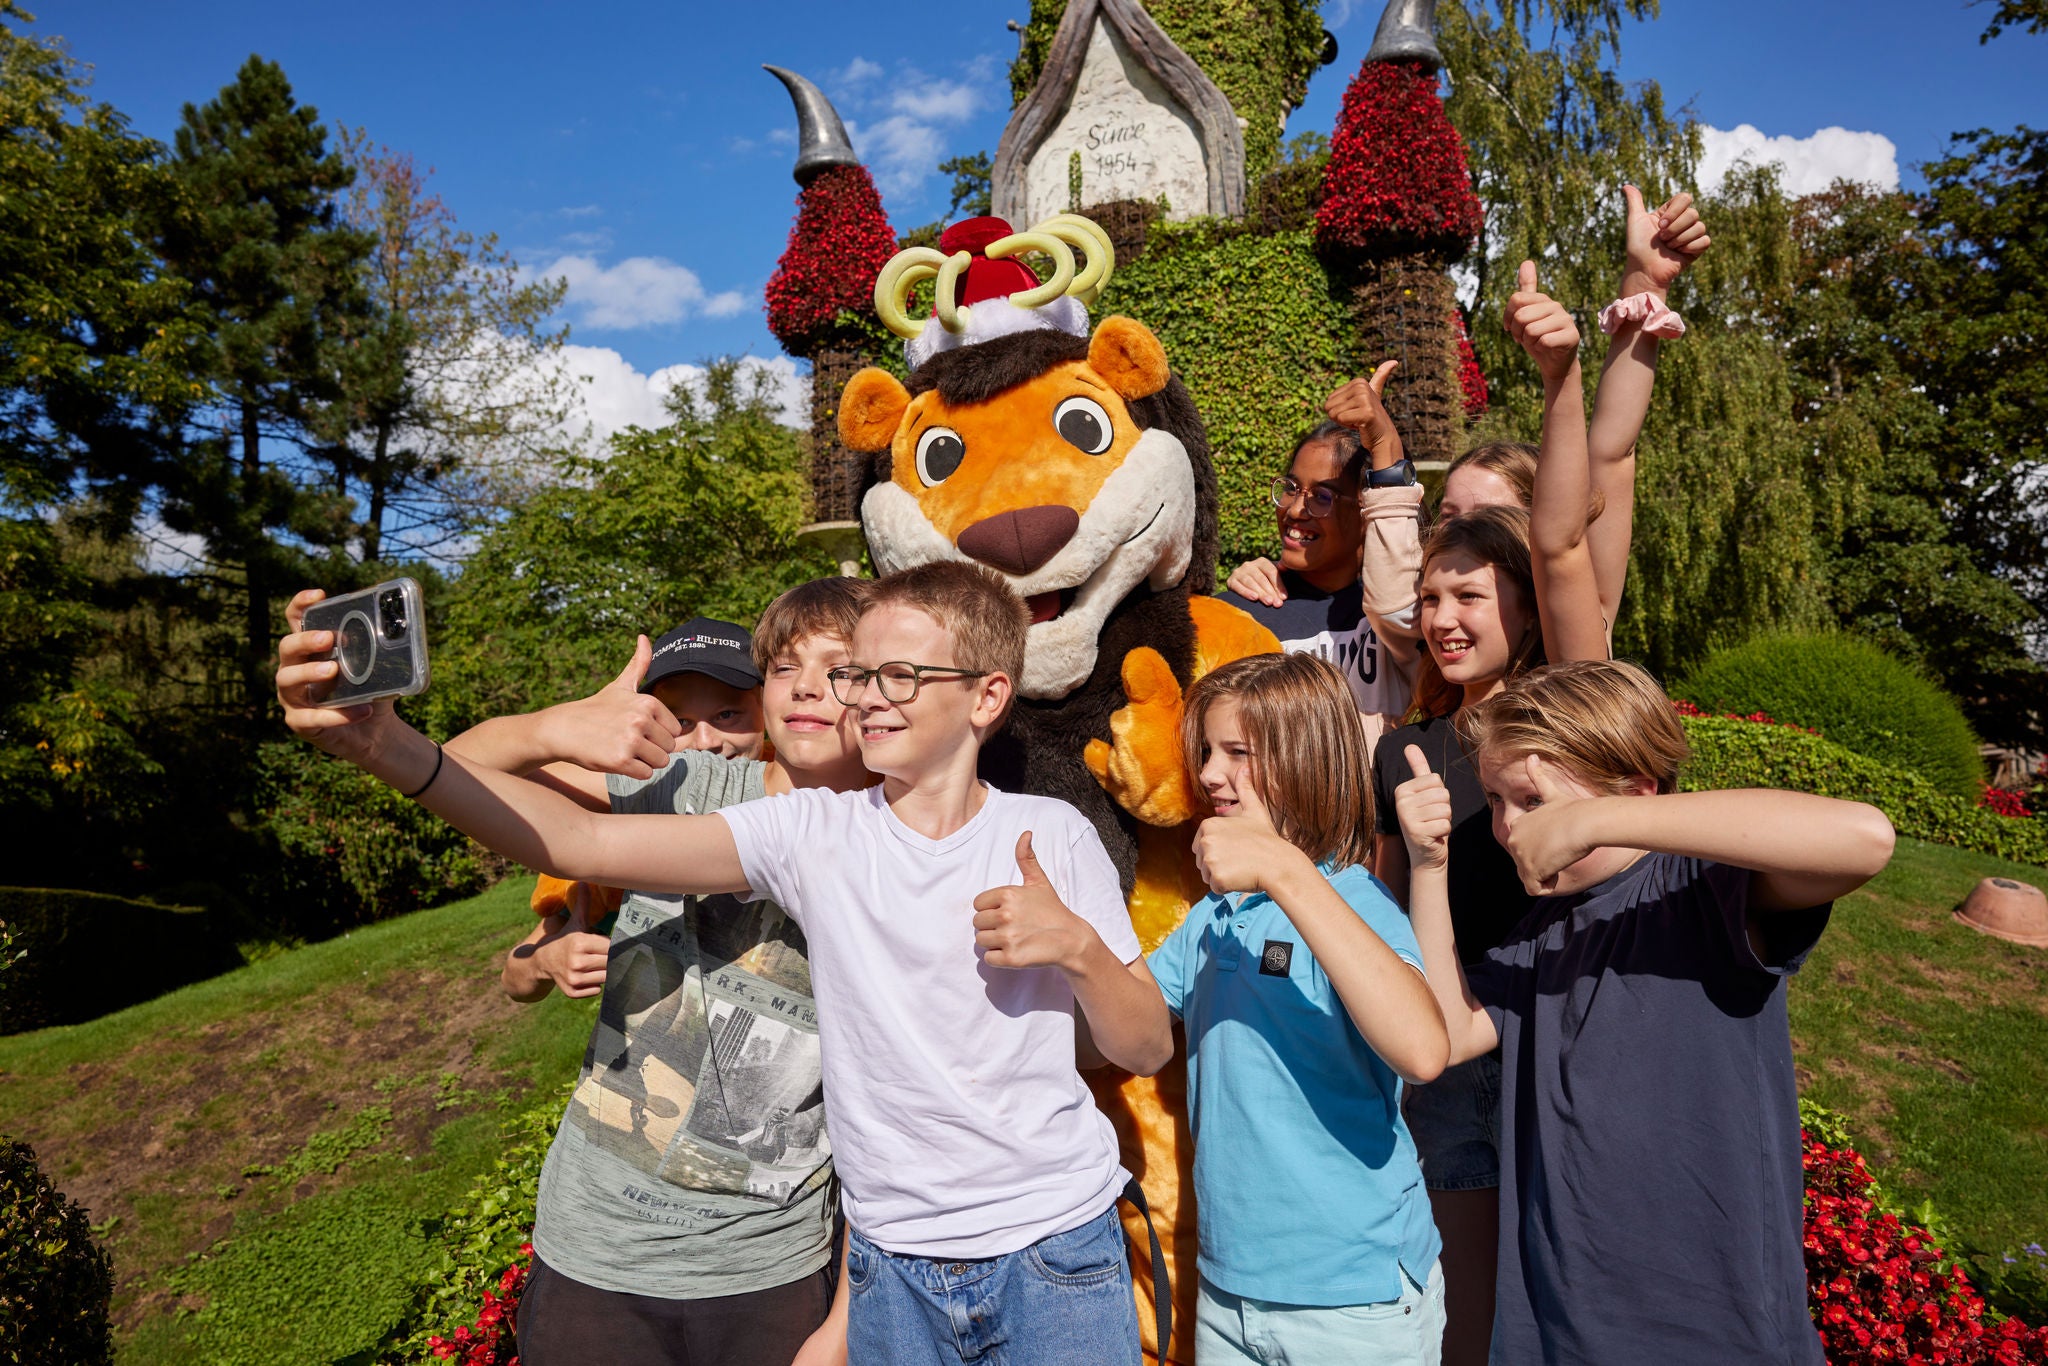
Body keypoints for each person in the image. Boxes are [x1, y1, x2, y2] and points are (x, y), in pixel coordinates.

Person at [276, 560, 1172, 1366]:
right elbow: (576, 834)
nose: (862, 696)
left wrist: (1079, 950)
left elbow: (1141, 1050)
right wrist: (381, 743)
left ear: (986, 698)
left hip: (1052, 1248)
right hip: (880, 1272)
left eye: (894, 674)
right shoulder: (811, 835)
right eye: (860, 674)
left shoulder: (1049, 836)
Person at [279, 584, 870, 1366]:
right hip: (591, 1259)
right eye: (786, 664)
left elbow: (903, 1127)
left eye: (840, 668)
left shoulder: (911, 856)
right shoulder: (691, 792)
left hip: (768, 1273)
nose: (803, 683)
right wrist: (547, 727)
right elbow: (485, 787)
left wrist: (843, 1326)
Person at [1391, 658, 1894, 1363]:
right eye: (1498, 801)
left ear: (1637, 787)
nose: (1506, 827)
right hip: (1556, 1335)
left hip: (1713, 1336)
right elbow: (1446, 1030)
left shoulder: (1695, 890)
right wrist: (1428, 867)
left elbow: (1865, 839)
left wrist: (1599, 819)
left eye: (1529, 799)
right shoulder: (1537, 936)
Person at [1226, 186, 1712, 657]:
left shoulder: (1569, 650)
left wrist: (1631, 301)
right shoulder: (1418, 635)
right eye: (1451, 517)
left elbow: (1610, 454)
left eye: (1486, 518)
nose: (1460, 535)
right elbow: (1392, 568)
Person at [1148, 651, 1448, 1364]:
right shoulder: (1211, 918)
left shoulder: (1354, 900)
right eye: (1206, 753)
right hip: (1229, 1296)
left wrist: (1284, 868)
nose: (1210, 775)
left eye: (1237, 753)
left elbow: (1424, 1050)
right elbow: (1129, 1021)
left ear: (1305, 758)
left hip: (1354, 1304)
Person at [1216, 362, 1421, 754]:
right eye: (1292, 487)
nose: (1295, 510)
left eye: (1323, 497)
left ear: (1367, 509)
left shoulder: (1407, 619)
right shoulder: (1240, 614)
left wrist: (1385, 451)